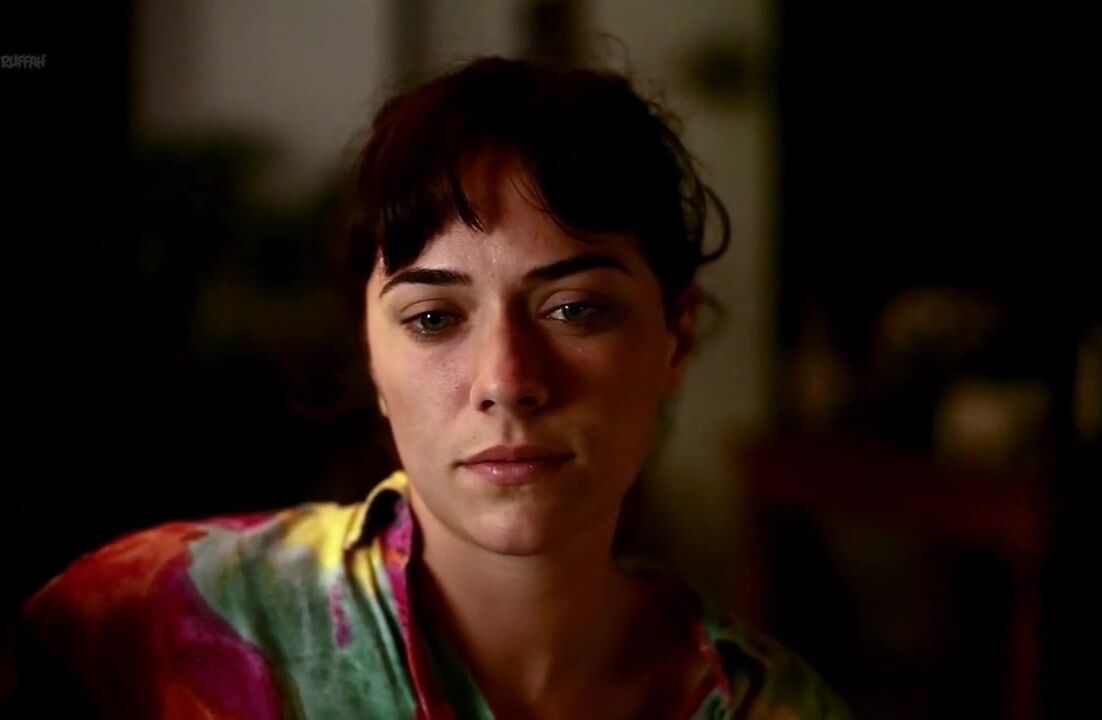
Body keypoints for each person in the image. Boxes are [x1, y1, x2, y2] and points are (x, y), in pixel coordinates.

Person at [9, 57, 850, 719]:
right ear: (371, 354)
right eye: (433, 319)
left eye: (575, 309)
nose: (507, 381)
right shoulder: (144, 627)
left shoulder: (769, 707)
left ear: (678, 337)